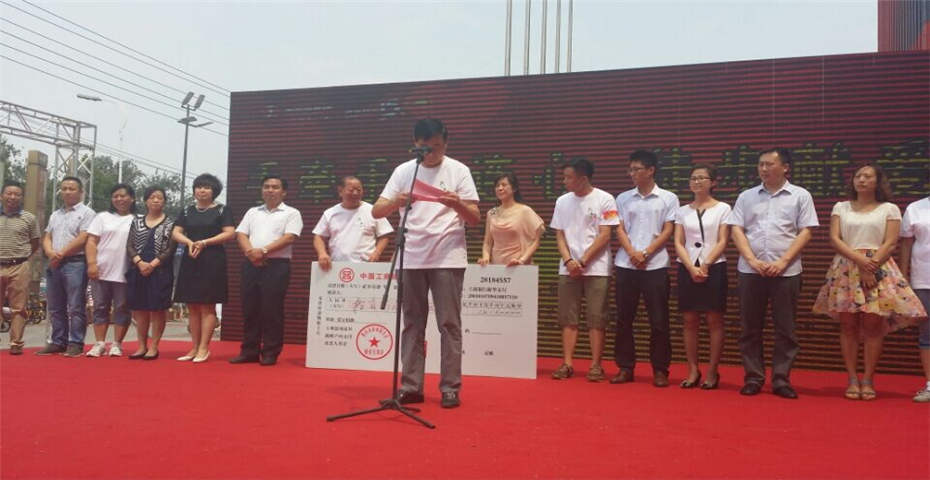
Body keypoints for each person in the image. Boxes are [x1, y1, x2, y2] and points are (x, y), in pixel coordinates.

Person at [372, 118, 480, 408]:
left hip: (447, 256)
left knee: (449, 324)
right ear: (415, 143)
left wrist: (457, 203)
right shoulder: (404, 171)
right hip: (411, 256)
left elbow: (474, 218)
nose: (431, 153)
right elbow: (377, 211)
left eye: (437, 147)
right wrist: (396, 201)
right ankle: (411, 386)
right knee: (412, 324)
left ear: (446, 143)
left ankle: (450, 388)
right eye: (425, 148)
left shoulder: (458, 170)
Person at [813, 164, 925, 400]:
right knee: (848, 326)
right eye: (858, 176)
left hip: (878, 269)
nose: (861, 180)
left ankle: (868, 379)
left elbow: (891, 242)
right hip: (846, 268)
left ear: (877, 181)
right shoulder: (841, 207)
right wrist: (860, 262)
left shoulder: (889, 208)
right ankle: (852, 378)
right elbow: (835, 238)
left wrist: (870, 265)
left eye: (867, 176)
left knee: (874, 326)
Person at [727, 148, 819, 399]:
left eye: (769, 164)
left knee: (785, 329)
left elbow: (806, 231)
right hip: (750, 270)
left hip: (787, 272)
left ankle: (781, 380)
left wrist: (783, 261)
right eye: (761, 164)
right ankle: (753, 378)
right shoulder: (746, 196)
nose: (764, 169)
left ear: (785, 167)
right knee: (750, 328)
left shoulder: (800, 195)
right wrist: (752, 260)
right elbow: (736, 230)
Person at [612, 150, 679, 387]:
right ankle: (625, 367)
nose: (632, 174)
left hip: (656, 265)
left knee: (659, 320)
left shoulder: (668, 198)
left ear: (651, 170)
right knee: (624, 319)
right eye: (630, 169)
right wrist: (632, 253)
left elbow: (668, 230)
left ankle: (660, 370)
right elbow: (618, 228)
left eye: (636, 169)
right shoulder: (622, 198)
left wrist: (646, 253)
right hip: (626, 264)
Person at [549, 159, 618, 382]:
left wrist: (584, 260)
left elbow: (605, 234)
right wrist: (569, 260)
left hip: (597, 267)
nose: (564, 181)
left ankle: (596, 365)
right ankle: (567, 363)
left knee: (597, 317)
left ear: (583, 178)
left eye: (568, 177)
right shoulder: (562, 201)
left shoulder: (605, 199)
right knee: (568, 317)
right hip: (568, 268)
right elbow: (559, 234)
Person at [231, 175, 303, 366]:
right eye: (266, 186)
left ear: (284, 192)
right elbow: (241, 234)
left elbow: (289, 237)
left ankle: (270, 352)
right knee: (250, 308)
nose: (270, 190)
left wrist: (262, 251)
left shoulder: (292, 213)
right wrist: (250, 253)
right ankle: (249, 351)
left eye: (275, 187)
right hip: (251, 264)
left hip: (277, 265)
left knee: (272, 309)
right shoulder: (253, 212)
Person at [672, 165, 730, 389]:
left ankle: (713, 371)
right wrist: (690, 266)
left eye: (702, 178)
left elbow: (723, 240)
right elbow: (678, 242)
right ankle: (693, 369)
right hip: (687, 267)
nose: (696, 182)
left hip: (714, 266)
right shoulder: (682, 210)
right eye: (693, 178)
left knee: (714, 320)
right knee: (689, 320)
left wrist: (705, 265)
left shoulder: (723, 208)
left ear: (713, 182)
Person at [172, 174, 235, 363]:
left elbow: (230, 233)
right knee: (192, 305)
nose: (202, 190)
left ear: (214, 191)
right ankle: (194, 347)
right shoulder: (187, 210)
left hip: (212, 259)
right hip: (191, 258)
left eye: (206, 187)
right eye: (199, 187)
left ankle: (204, 348)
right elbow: (176, 232)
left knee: (207, 305)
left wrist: (205, 242)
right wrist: (189, 242)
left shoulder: (222, 210)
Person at [36, 176, 95, 357]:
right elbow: (47, 236)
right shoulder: (56, 214)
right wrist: (50, 252)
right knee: (55, 306)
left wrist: (61, 253)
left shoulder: (87, 213)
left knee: (76, 305)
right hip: (54, 263)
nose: (67, 192)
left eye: (72, 188)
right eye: (64, 188)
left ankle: (75, 342)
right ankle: (58, 341)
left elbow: (83, 237)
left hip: (75, 262)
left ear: (81, 192)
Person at [84, 184, 136, 357]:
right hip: (101, 270)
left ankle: (117, 344)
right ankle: (99, 343)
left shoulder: (137, 220)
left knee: (122, 308)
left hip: (125, 271)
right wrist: (92, 264)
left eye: (123, 196)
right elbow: (91, 242)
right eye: (115, 196)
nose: (119, 199)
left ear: (132, 198)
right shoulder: (102, 217)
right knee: (99, 307)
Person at [126, 186, 177, 360]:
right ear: (145, 201)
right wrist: (140, 263)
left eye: (159, 197)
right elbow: (129, 245)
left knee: (157, 310)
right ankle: (141, 345)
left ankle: (154, 346)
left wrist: (153, 264)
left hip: (160, 270)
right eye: (152, 197)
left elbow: (170, 248)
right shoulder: (137, 221)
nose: (155, 200)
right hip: (138, 269)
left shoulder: (171, 224)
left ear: (164, 202)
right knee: (140, 309)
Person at [312, 176, 392, 271]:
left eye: (359, 190)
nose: (355, 193)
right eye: (351, 190)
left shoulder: (372, 211)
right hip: (337, 267)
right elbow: (319, 236)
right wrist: (322, 253)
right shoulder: (330, 213)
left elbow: (384, 235)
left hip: (366, 266)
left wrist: (377, 252)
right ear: (340, 191)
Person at [0, 180, 40, 355]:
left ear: (22, 197)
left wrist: (23, 258)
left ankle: (16, 343)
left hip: (19, 265)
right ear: (1, 196)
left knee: (18, 307)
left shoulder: (29, 218)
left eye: (17, 194)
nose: (13, 197)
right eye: (9, 193)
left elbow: (35, 242)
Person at [477, 173, 544, 267]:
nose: (500, 188)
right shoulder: (492, 213)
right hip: (497, 268)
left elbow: (536, 240)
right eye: (497, 186)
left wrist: (521, 260)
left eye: (504, 185)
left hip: (519, 266)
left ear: (514, 188)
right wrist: (486, 258)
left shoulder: (524, 211)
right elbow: (487, 242)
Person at [901, 191, 930, 402]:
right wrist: (903, 277)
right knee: (927, 333)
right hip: (923, 278)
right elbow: (906, 244)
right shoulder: (915, 208)